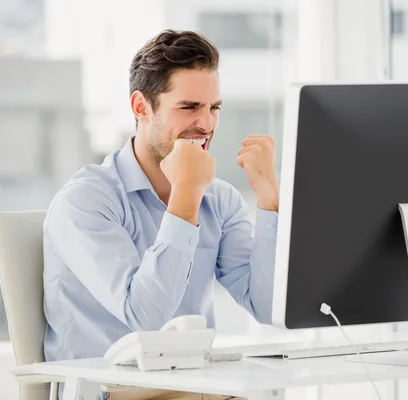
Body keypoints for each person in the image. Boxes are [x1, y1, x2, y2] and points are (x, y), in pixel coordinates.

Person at [42, 29, 279, 400]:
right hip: (108, 391)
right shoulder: (86, 201)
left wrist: (268, 198)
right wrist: (185, 197)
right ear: (141, 107)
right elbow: (145, 319)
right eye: (189, 107)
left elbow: (267, 308)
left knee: (269, 391)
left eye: (213, 107)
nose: (206, 124)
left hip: (192, 386)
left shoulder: (220, 200)